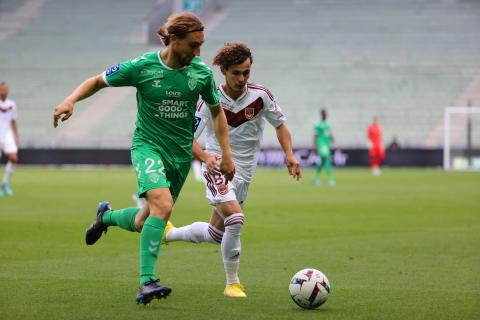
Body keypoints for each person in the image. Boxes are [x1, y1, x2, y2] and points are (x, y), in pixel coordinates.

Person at [52, 12, 235, 305]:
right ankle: (146, 282)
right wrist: (70, 100)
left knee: (143, 222)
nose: (199, 52)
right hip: (147, 147)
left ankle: (107, 216)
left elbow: (217, 113)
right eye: (193, 44)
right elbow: (98, 81)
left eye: (201, 45)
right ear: (175, 40)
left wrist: (226, 155)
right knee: (163, 206)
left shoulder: (201, 73)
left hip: (179, 157)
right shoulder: (142, 66)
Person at [164, 42, 301, 297]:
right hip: (217, 167)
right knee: (235, 219)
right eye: (236, 72)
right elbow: (187, 136)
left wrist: (290, 154)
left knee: (217, 233)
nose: (242, 78)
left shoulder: (261, 96)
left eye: (246, 72)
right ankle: (232, 283)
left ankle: (169, 233)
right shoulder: (209, 99)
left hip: (246, 173)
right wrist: (206, 157)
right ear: (224, 71)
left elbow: (280, 125)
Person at [0, 81, 19, 197]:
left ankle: (5, 183)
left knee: (13, 158)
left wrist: (17, 136)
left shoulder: (12, 104)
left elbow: (13, 121)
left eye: (6, 89)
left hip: (7, 134)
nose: (4, 91)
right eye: (2, 89)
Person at [312, 109, 335, 186]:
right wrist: (314, 146)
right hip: (321, 144)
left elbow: (329, 134)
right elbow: (315, 136)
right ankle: (330, 179)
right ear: (322, 114)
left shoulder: (328, 124)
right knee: (327, 160)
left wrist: (333, 139)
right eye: (325, 114)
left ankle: (315, 178)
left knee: (322, 162)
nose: (326, 115)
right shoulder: (317, 124)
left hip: (327, 144)